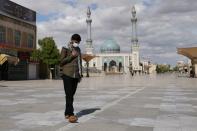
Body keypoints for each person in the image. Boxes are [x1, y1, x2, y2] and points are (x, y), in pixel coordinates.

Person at [60, 34, 83, 123]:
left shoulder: (78, 49)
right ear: (71, 40)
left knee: (71, 95)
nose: (76, 44)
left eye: (78, 42)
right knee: (69, 95)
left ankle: (66, 112)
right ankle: (71, 114)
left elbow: (79, 62)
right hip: (67, 74)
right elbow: (61, 62)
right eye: (75, 42)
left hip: (75, 76)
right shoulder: (65, 48)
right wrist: (72, 56)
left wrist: (80, 75)